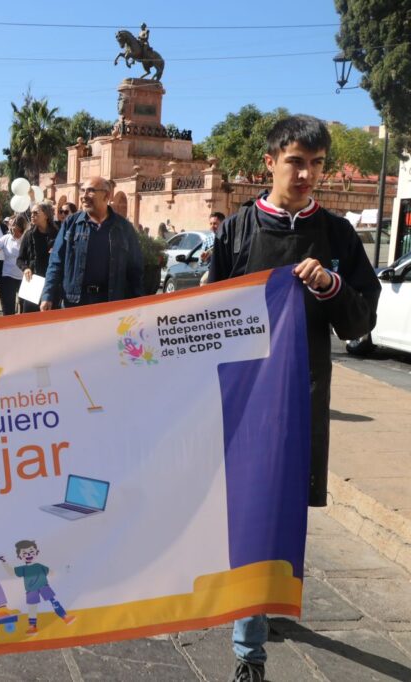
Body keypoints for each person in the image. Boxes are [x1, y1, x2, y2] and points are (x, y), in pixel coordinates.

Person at [208, 115, 380, 682]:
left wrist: (332, 288)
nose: (307, 174)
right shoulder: (236, 231)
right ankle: (249, 652)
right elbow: (206, 318)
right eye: (296, 162)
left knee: (285, 511)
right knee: (253, 509)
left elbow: (360, 321)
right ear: (271, 163)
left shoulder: (337, 236)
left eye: (317, 164)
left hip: (304, 398)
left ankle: (264, 600)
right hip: (245, 401)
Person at [41, 176, 143, 309]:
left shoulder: (124, 228)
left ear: (106, 195)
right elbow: (56, 262)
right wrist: (47, 295)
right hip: (75, 303)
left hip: (110, 303)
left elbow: (135, 269)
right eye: (83, 191)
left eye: (90, 191)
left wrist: (139, 302)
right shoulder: (70, 224)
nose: (83, 196)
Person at [0, 540, 74, 634]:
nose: (28, 555)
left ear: (36, 552)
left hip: (43, 586)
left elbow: (51, 572)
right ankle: (32, 627)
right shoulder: (23, 569)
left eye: (31, 552)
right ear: (20, 556)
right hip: (31, 590)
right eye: (25, 553)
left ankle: (65, 617)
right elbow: (11, 572)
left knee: (53, 601)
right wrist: (4, 562)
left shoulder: (39, 565)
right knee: (32, 608)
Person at [16, 201, 58, 313]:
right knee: (29, 319)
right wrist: (26, 268)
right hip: (33, 282)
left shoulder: (57, 234)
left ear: (46, 215)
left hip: (52, 283)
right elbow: (20, 259)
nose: (32, 215)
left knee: (51, 319)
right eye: (31, 213)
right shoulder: (29, 235)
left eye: (36, 213)